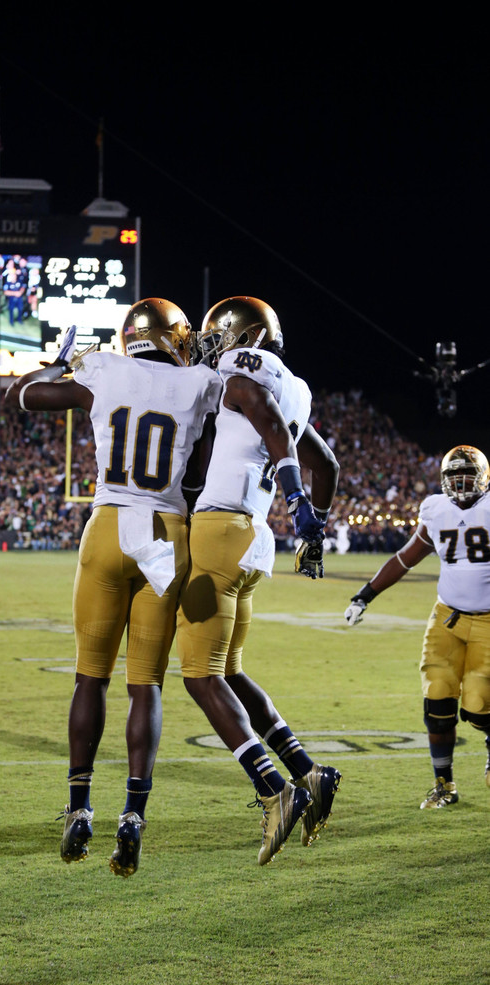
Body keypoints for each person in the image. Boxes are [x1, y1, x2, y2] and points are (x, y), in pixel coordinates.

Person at [5, 302, 222, 876]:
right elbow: (201, 473)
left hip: (107, 526)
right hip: (166, 531)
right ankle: (133, 815)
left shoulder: (102, 369)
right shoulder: (201, 383)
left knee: (90, 677)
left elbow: (21, 396)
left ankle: (79, 807)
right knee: (145, 684)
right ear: (176, 338)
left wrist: (57, 365)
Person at [176, 296, 342, 866]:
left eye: (217, 338)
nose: (211, 348)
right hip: (251, 537)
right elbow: (328, 465)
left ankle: (273, 788)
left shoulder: (245, 371)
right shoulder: (297, 387)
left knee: (199, 677)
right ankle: (308, 771)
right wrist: (314, 528)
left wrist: (297, 499)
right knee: (228, 671)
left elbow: (260, 411)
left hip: (220, 530)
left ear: (244, 337)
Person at [345, 444, 490, 807]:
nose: (460, 483)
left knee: (478, 705)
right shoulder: (436, 510)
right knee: (437, 700)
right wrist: (364, 595)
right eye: (454, 476)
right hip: (447, 618)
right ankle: (444, 785)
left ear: (483, 478)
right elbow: (404, 558)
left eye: (467, 475)